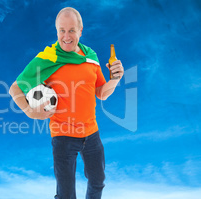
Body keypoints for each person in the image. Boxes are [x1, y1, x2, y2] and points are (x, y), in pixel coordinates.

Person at [8, 7, 124, 199]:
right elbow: (15, 88)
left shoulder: (91, 57)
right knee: (66, 194)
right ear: (56, 31)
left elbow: (101, 93)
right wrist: (30, 111)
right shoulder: (48, 58)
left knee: (98, 181)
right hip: (63, 135)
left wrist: (115, 80)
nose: (66, 36)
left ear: (81, 30)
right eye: (62, 30)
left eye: (71, 30)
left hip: (91, 133)